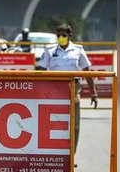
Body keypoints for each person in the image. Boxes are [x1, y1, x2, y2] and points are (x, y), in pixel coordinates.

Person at [37, 23, 98, 156]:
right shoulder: (49, 50)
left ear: (70, 35)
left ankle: (71, 156)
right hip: (53, 88)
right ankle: (53, 155)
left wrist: (93, 92)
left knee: (74, 124)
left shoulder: (78, 50)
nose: (61, 38)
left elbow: (87, 72)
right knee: (51, 122)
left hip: (72, 89)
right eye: (58, 35)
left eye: (63, 35)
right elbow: (40, 70)